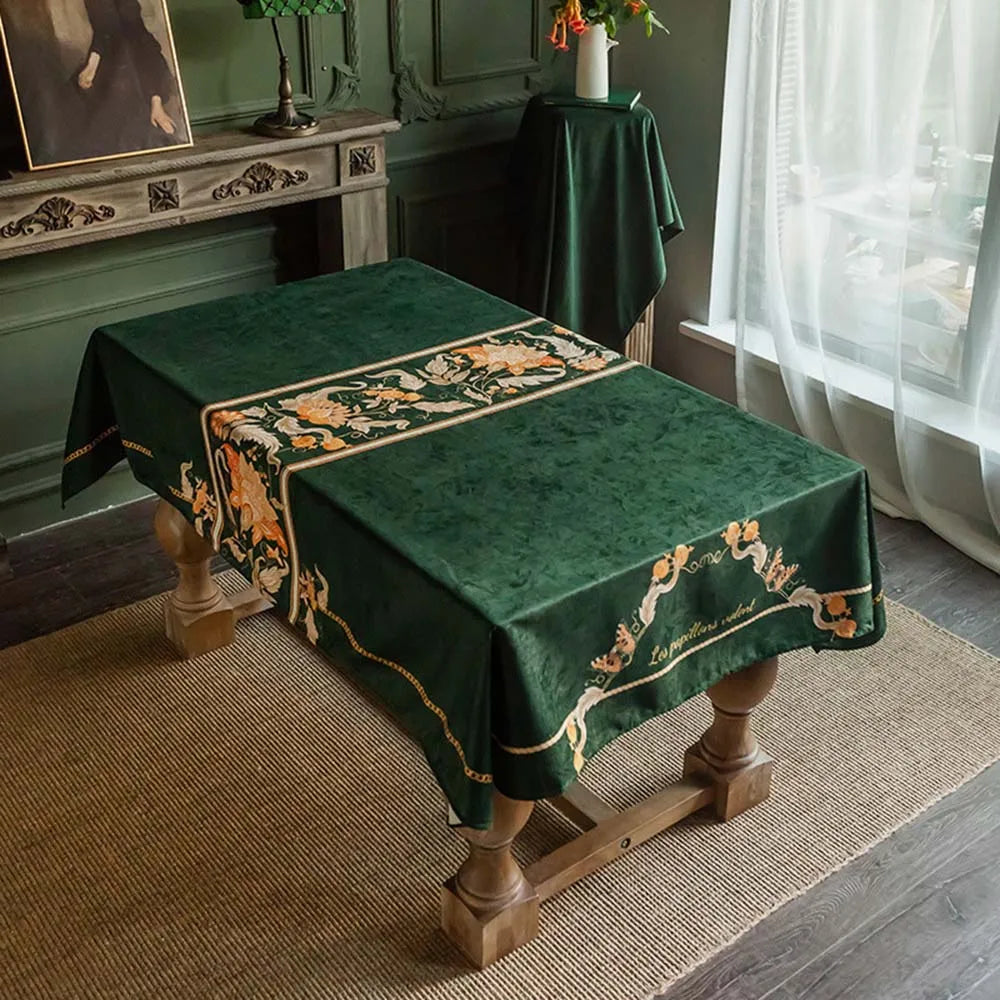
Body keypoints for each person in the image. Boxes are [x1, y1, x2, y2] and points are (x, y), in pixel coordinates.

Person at [73, 0, 182, 158]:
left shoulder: (132, 25)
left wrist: (156, 102)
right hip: (110, 65)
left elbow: (137, 35)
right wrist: (92, 64)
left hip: (140, 70)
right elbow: (103, 29)